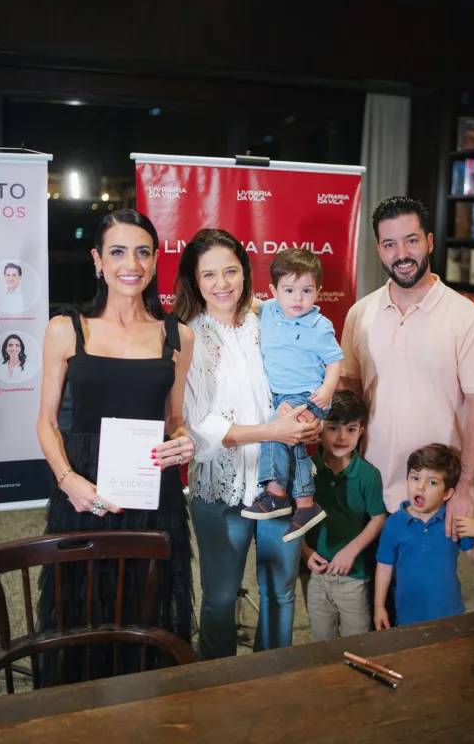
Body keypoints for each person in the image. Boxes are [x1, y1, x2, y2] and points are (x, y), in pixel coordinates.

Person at [36, 209, 195, 686]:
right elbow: (45, 423)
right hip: (84, 490)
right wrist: (68, 481)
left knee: (146, 608)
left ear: (154, 260)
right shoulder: (67, 328)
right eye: (118, 251)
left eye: (143, 251)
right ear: (97, 260)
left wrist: (185, 443)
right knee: (81, 605)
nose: (132, 263)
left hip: (153, 492)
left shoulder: (177, 336)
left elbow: (176, 420)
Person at [173, 229, 321, 660]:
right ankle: (215, 688)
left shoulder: (273, 322)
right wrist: (274, 432)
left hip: (279, 484)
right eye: (210, 274)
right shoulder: (187, 337)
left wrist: (308, 420)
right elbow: (200, 426)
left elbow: (301, 379)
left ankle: (272, 684)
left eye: (231, 271)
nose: (223, 283)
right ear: (194, 281)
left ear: (246, 273)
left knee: (281, 594)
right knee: (219, 598)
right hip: (221, 492)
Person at [340, 196, 474, 540]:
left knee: (423, 590)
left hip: (434, 493)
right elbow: (349, 392)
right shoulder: (360, 314)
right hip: (369, 485)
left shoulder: (466, 318)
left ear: (428, 241)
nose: (401, 254)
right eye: (389, 244)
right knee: (366, 590)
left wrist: (467, 485)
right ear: (379, 249)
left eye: (411, 240)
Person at [242, 249, 343, 542]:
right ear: (274, 291)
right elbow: (249, 302)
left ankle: (275, 492)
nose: (297, 299)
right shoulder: (270, 309)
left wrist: (326, 390)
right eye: (289, 290)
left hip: (308, 394)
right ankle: (306, 504)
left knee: (278, 428)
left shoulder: (319, 326)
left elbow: (335, 360)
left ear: (318, 292)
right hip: (279, 393)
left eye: (306, 291)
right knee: (294, 444)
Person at [374, 443, 474, 629]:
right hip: (408, 616)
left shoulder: (453, 521)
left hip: (449, 613)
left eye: (432, 482)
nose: (420, 487)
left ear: (447, 493)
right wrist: (379, 606)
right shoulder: (394, 523)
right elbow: (384, 566)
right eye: (414, 478)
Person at [300, 390, 386, 641]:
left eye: (350, 429)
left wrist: (351, 550)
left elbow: (378, 517)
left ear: (361, 432)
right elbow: (297, 516)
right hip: (317, 573)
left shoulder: (369, 475)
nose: (342, 437)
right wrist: (305, 551)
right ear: (319, 429)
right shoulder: (308, 469)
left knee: (358, 641)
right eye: (333, 427)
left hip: (354, 577)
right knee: (321, 643)